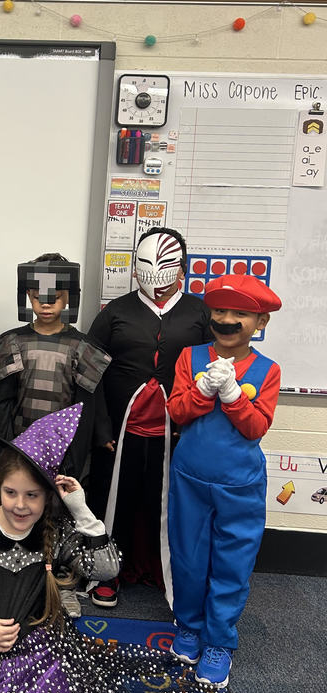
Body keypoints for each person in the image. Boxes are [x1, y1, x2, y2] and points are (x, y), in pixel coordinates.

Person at [0, 406, 239, 693]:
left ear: (49, 495)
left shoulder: (56, 531)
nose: (20, 505)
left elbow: (107, 568)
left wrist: (82, 513)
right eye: (11, 492)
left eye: (33, 496)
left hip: (45, 653)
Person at [167, 274, 282, 688]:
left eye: (241, 313)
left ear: (260, 323)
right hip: (190, 477)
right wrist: (203, 390)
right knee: (188, 557)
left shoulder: (268, 370)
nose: (228, 319)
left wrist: (233, 396)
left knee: (232, 564)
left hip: (239, 483)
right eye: (219, 311)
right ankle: (190, 627)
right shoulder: (189, 357)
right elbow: (177, 412)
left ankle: (219, 641)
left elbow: (255, 429)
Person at [86, 227, 211, 607]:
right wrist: (101, 427)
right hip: (121, 433)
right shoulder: (115, 313)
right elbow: (90, 376)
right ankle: (108, 571)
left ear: (181, 269)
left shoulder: (199, 312)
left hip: (176, 432)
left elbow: (210, 371)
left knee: (167, 504)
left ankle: (162, 570)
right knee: (115, 501)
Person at [0, 253, 111, 479]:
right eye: (38, 298)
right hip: (19, 448)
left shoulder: (82, 347)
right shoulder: (11, 342)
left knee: (57, 510)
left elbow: (86, 408)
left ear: (68, 296)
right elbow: (4, 404)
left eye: (54, 298)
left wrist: (75, 457)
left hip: (64, 453)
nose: (45, 305)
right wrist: (6, 449)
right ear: (28, 294)